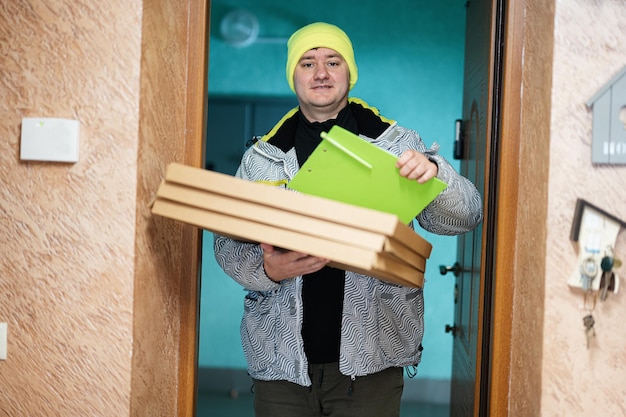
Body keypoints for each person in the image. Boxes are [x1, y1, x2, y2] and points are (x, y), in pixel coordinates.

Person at [214, 22, 483, 417]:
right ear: (294, 75)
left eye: (332, 61)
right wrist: (267, 269)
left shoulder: (396, 145)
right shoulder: (261, 157)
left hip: (372, 359)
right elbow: (226, 242)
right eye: (307, 63)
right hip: (280, 362)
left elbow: (466, 215)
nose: (320, 73)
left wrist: (435, 171)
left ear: (349, 73)